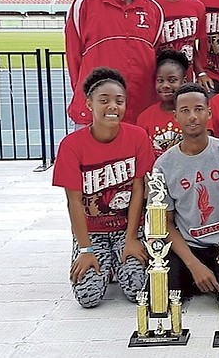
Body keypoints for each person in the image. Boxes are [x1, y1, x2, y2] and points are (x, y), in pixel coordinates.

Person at [52, 68, 154, 308]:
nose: (112, 106)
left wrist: (131, 237)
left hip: (125, 227)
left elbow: (139, 189)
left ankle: (117, 261)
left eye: (119, 101)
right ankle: (104, 260)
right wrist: (85, 249)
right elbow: (74, 201)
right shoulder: (71, 145)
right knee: (88, 298)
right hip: (92, 231)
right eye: (104, 100)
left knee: (138, 291)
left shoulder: (138, 136)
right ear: (89, 104)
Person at [152, 82, 219, 296]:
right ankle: (195, 277)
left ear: (209, 112)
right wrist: (193, 265)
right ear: (175, 116)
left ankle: (210, 278)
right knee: (162, 296)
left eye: (198, 109)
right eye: (185, 111)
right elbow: (166, 223)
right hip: (188, 246)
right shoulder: (164, 165)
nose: (192, 116)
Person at [65, 0, 164, 126]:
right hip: (96, 113)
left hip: (140, 112)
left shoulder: (154, 10)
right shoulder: (84, 4)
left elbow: (155, 59)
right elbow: (74, 58)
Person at [150, 0, 208, 82]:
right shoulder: (149, 6)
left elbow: (194, 47)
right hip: (159, 80)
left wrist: (200, 73)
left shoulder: (197, 6)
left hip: (186, 79)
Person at [136, 49, 186, 157]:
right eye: (160, 80)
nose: (165, 85)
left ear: (184, 81)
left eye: (172, 80)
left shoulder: (191, 114)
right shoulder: (144, 117)